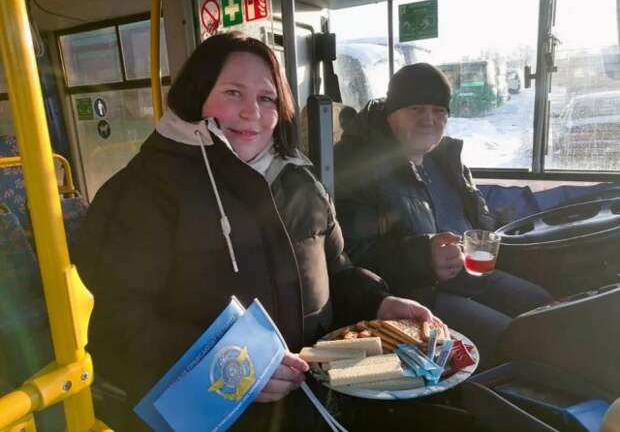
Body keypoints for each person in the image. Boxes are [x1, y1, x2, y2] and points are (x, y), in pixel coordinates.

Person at [75, 32, 437, 432]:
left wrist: (377, 304)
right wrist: (237, 366)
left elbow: (335, 271)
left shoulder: (300, 181)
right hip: (216, 415)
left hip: (310, 399)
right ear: (196, 95)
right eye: (233, 93)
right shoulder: (144, 191)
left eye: (267, 98)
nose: (253, 112)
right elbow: (117, 329)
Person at [334, 63, 553, 369]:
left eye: (439, 111)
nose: (429, 119)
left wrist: (492, 228)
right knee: (515, 340)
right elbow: (350, 257)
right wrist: (424, 256)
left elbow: (478, 219)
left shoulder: (446, 160)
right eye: (416, 108)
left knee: (544, 307)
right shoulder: (357, 166)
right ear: (391, 113)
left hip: (469, 275)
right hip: (414, 294)